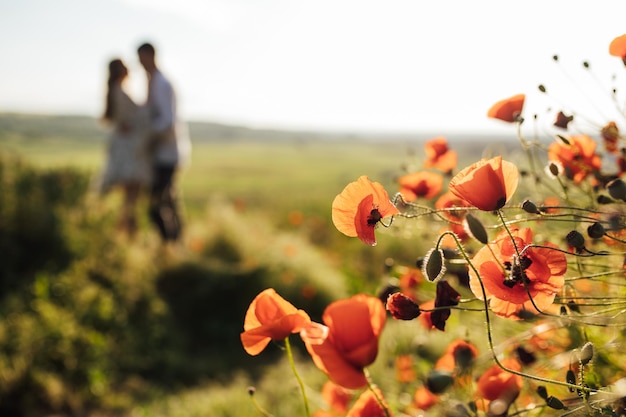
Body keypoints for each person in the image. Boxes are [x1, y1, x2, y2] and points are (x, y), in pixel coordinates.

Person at [137, 42, 191, 243]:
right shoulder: (154, 82)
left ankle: (170, 243)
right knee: (168, 200)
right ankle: (177, 245)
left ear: (151, 56)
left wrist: (149, 136)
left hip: (167, 153)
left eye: (142, 59)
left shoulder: (162, 84)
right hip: (161, 153)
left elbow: (167, 121)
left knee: (156, 204)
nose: (141, 64)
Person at [99, 58, 151, 237]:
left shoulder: (115, 91)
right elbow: (127, 122)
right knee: (131, 194)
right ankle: (128, 232)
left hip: (125, 147)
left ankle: (124, 232)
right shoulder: (119, 92)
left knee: (130, 195)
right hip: (128, 149)